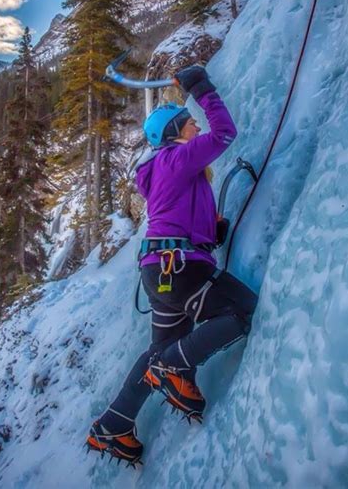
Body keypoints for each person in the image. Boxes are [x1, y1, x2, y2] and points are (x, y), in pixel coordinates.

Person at [86, 66, 258, 466]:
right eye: (187, 123)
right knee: (241, 310)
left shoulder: (166, 170)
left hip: (162, 269)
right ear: (173, 134)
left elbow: (179, 213)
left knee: (159, 349)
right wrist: (201, 87)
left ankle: (113, 425)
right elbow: (224, 133)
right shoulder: (177, 158)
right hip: (179, 267)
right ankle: (173, 365)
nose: (194, 127)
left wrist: (207, 233)